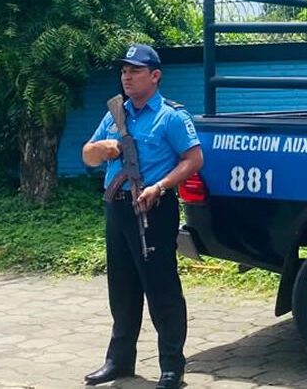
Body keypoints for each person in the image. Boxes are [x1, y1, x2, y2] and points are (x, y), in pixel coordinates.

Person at [81, 43, 202, 389]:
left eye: (134, 71)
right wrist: (99, 149)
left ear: (155, 75)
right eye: (124, 71)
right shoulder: (114, 115)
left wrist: (160, 187)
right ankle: (119, 362)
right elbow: (87, 155)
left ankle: (171, 368)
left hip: (153, 207)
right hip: (117, 208)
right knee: (121, 289)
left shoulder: (172, 116)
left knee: (162, 290)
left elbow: (193, 160)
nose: (127, 77)